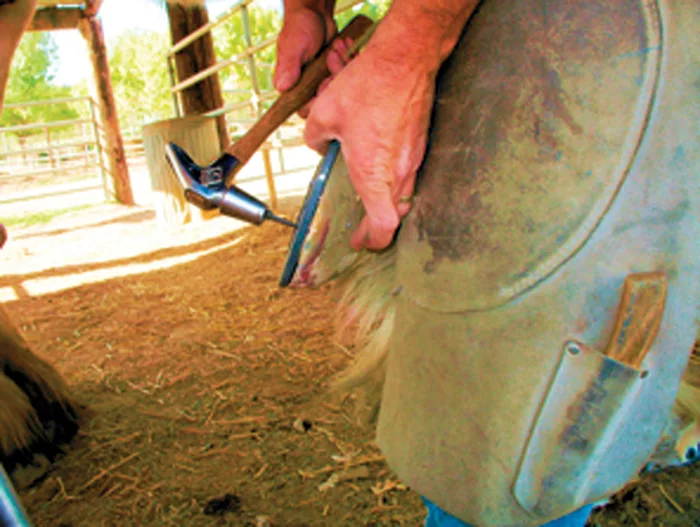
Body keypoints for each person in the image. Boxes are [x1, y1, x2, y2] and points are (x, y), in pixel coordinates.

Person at [273, 1, 700, 526]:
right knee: (465, 394)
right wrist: (308, 8)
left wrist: (403, 51)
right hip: (488, 40)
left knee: (510, 441)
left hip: (598, 36)